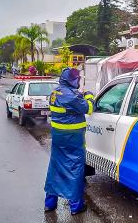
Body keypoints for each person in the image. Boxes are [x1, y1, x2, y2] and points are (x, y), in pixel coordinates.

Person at [44, 67, 94, 215]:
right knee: (75, 168)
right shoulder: (72, 96)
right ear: (72, 80)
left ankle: (50, 203)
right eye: (77, 79)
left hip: (58, 137)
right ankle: (75, 206)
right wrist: (89, 96)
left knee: (55, 167)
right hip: (73, 138)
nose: (78, 81)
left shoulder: (54, 93)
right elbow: (89, 108)